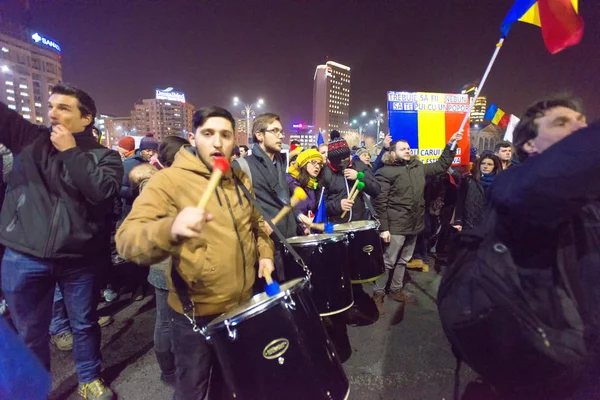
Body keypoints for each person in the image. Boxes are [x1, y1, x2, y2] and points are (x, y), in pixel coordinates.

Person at [116, 106, 274, 400]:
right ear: (193, 137)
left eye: (225, 135)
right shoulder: (169, 182)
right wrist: (170, 230)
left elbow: (256, 226)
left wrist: (265, 254)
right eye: (208, 134)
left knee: (235, 385)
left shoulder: (240, 179)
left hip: (241, 307)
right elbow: (127, 241)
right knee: (194, 391)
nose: (217, 143)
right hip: (195, 316)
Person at [0, 83, 122, 399]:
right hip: (24, 256)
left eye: (64, 108)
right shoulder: (29, 140)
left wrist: (70, 151)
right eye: (51, 106)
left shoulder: (104, 156)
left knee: (83, 325)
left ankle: (89, 380)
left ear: (87, 119)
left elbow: (101, 192)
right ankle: (33, 391)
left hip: (78, 260)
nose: (52, 113)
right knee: (30, 333)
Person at [485, 95, 600, 397]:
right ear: (529, 146)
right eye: (562, 123)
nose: (580, 128)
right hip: (559, 369)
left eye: (583, 123)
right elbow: (551, 176)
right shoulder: (513, 184)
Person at [372, 132, 461, 311]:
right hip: (395, 225)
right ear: (393, 152)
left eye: (408, 148)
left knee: (404, 259)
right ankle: (378, 293)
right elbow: (380, 202)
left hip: (414, 224)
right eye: (403, 149)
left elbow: (441, 165)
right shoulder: (385, 172)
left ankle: (395, 289)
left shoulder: (417, 167)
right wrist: (384, 228)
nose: (407, 151)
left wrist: (451, 145)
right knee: (389, 260)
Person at [232, 113, 298, 281]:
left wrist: (298, 217)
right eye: (275, 131)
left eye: (281, 131)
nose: (281, 136)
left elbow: (284, 199)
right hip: (266, 247)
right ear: (259, 135)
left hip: (289, 241)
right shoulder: (241, 166)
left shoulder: (281, 163)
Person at [320, 137, 380, 224]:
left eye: (344, 159)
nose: (342, 163)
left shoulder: (359, 166)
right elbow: (320, 204)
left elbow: (376, 189)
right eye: (337, 160)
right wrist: (338, 205)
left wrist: (358, 177)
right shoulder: (325, 172)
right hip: (336, 227)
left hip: (359, 225)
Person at [453, 154, 502, 232]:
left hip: (492, 227)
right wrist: (458, 221)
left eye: (489, 164)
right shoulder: (468, 180)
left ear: (494, 167)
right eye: (483, 163)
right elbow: (460, 202)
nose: (485, 166)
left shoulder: (501, 183)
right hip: (469, 225)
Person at [120, 133, 159, 221]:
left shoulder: (157, 164)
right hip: (132, 208)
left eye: (154, 151)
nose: (151, 153)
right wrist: (133, 191)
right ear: (141, 150)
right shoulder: (129, 164)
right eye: (148, 150)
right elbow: (120, 187)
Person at [286, 149, 324, 234]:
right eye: (313, 162)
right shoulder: (290, 182)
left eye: (319, 164)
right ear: (303, 164)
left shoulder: (312, 183)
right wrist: (302, 227)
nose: (317, 166)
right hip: (295, 233)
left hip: (310, 232)